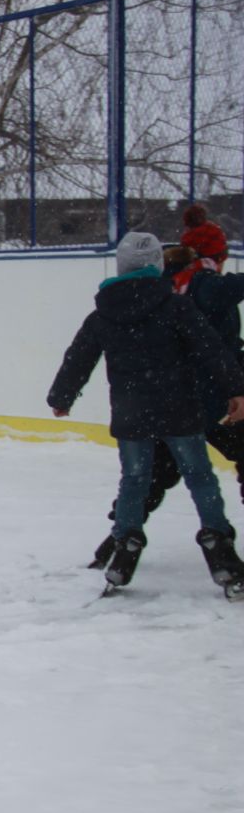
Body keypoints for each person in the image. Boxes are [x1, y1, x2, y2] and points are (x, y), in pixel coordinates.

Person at [48, 230, 244, 597]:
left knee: (135, 480)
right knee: (200, 477)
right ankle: (218, 547)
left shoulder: (103, 314)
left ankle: (126, 544)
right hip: (180, 410)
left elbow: (78, 357)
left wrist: (62, 396)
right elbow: (211, 349)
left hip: (131, 413)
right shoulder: (175, 306)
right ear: (156, 266)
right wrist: (237, 389)